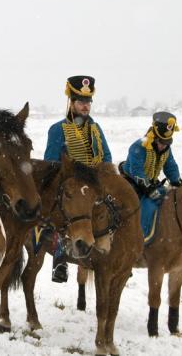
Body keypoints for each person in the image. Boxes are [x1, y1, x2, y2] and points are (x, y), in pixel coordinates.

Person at [43, 75, 112, 282]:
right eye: (81, 101)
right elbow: (51, 163)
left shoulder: (95, 129)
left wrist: (100, 172)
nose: (85, 106)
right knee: (61, 217)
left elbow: (106, 156)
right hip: (70, 186)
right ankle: (60, 259)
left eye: (88, 101)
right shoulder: (58, 130)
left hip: (93, 185)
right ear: (71, 102)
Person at [122, 112, 182, 244]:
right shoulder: (138, 147)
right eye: (161, 141)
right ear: (153, 136)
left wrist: (176, 181)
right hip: (133, 183)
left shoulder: (166, 148)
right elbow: (137, 171)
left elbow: (170, 165)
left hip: (152, 183)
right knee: (145, 206)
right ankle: (139, 239)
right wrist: (148, 188)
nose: (163, 145)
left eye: (167, 142)